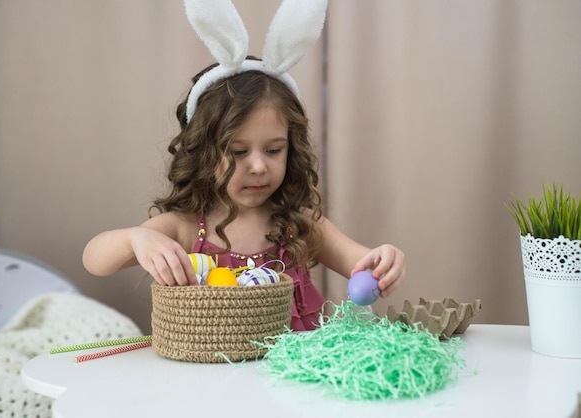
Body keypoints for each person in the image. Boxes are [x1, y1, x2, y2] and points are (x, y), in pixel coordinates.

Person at [83, 58, 406, 331]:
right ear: (203, 153)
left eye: (274, 149)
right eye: (237, 151)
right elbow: (94, 260)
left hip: (297, 386)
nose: (258, 166)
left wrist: (383, 261)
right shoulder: (182, 227)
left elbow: (361, 265)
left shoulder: (300, 222)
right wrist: (136, 240)